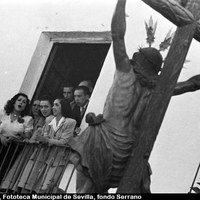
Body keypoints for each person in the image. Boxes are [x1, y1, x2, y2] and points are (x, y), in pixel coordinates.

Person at [68, 0, 200, 193]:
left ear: (138, 59)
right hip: (129, 154)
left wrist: (121, 2)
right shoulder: (159, 89)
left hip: (102, 144)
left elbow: (117, 35)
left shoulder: (125, 70)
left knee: (86, 192)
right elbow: (193, 83)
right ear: (156, 70)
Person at [30, 98, 76, 193]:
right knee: (37, 184)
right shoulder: (49, 119)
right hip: (46, 156)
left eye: (56, 105)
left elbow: (64, 141)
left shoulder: (70, 122)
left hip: (59, 158)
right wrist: (43, 138)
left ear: (63, 107)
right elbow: (45, 134)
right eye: (53, 105)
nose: (53, 107)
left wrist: (47, 140)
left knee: (48, 185)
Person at [16, 95, 54, 193]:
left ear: (52, 107)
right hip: (36, 153)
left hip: (40, 154)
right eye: (41, 107)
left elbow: (45, 138)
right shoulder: (47, 119)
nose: (42, 109)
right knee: (26, 183)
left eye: (46, 107)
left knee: (27, 183)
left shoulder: (49, 119)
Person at [0, 93, 33, 184]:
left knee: (2, 170)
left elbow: (27, 136)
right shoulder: (3, 113)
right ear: (14, 102)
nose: (21, 103)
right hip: (1, 141)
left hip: (13, 147)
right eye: (19, 100)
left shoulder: (27, 119)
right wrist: (1, 136)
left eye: (24, 102)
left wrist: (20, 134)